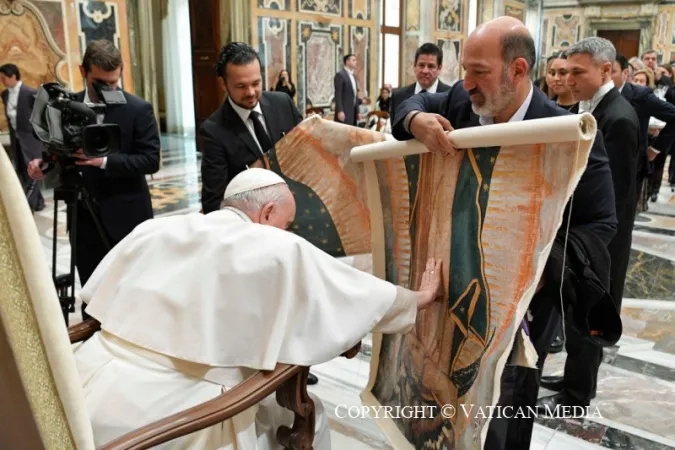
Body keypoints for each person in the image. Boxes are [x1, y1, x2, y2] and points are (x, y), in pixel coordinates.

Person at [73, 168, 443, 450]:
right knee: (309, 417)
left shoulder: (155, 229)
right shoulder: (273, 247)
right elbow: (353, 294)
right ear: (267, 213)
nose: (288, 231)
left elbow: (97, 298)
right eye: (287, 223)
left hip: (84, 387)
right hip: (171, 419)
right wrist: (417, 299)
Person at [391, 16, 617, 449]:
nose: (467, 83)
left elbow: (600, 223)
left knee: (507, 409)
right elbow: (404, 110)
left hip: (525, 304)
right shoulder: (462, 102)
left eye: (479, 72)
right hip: (457, 289)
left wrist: (534, 265)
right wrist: (416, 119)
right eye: (465, 70)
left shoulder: (567, 135)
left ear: (517, 69)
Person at [538, 37, 640, 413]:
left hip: (602, 242)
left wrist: (598, 249)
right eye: (567, 70)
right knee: (575, 308)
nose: (569, 79)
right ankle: (572, 378)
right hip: (583, 235)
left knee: (590, 309)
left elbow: (615, 196)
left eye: (579, 72)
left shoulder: (618, 118)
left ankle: (579, 394)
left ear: (606, 70)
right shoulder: (589, 109)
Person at [27, 40, 160, 318]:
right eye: (100, 82)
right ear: (83, 71)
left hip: (128, 217)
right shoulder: (66, 107)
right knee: (93, 293)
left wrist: (104, 162)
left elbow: (150, 160)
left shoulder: (138, 109)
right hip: (83, 217)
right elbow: (57, 152)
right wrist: (44, 165)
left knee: (134, 292)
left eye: (114, 82)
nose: (109, 90)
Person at [200, 43, 303, 215]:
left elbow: (307, 151)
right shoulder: (214, 131)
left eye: (256, 83)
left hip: (299, 209)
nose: (251, 92)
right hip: (254, 225)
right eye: (241, 86)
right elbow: (214, 202)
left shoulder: (283, 103)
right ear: (223, 84)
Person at [610, 53, 675, 212]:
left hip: (630, 169)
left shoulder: (640, 95)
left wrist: (655, 149)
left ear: (625, 73)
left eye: (611, 71)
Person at [0, 63, 45, 212]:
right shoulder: (5, 95)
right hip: (16, 139)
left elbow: (40, 115)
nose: (2, 81)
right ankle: (38, 202)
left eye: (3, 78)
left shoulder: (30, 92)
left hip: (31, 139)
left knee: (34, 170)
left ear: (13, 76)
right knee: (22, 169)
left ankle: (29, 205)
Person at [389, 43, 451, 124]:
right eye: (421, 65)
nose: (425, 71)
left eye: (431, 66)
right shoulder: (398, 96)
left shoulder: (450, 96)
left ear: (439, 68)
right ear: (414, 66)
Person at [333, 54, 363, 126]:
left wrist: (358, 112)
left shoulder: (353, 76)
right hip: (344, 112)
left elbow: (355, 95)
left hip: (353, 112)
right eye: (353, 60)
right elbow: (338, 94)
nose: (356, 62)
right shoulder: (340, 75)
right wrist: (340, 111)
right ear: (347, 62)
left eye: (355, 60)